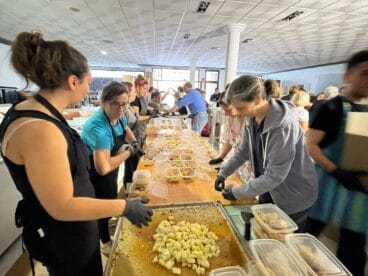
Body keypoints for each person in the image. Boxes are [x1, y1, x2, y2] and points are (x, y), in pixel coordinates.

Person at [0, 31, 153, 275]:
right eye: (88, 82)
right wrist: (124, 207)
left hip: (75, 230)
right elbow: (62, 206)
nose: (89, 88)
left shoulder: (40, 112)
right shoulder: (39, 129)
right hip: (65, 239)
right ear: (72, 82)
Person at [214, 75, 317, 232]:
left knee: (284, 241)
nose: (238, 113)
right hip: (269, 189)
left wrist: (237, 192)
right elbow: (243, 151)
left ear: (258, 99)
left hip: (293, 194)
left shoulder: (283, 127)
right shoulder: (252, 118)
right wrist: (223, 172)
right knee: (263, 232)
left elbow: (275, 175)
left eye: (241, 108)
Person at [306, 50, 368, 276]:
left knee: (352, 252)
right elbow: (311, 145)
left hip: (360, 196)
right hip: (328, 191)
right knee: (308, 240)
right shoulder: (332, 108)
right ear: (347, 77)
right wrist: (337, 171)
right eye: (365, 73)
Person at [81, 81, 144, 254]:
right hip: (94, 171)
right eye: (116, 103)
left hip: (111, 163)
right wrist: (128, 153)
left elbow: (125, 127)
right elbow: (102, 167)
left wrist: (134, 142)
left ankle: (109, 218)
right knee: (102, 200)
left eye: (125, 103)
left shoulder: (120, 114)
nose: (121, 108)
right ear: (103, 102)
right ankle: (105, 241)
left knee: (110, 193)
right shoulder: (98, 128)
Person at [209, 92, 245, 165]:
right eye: (224, 111)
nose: (226, 114)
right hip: (239, 159)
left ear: (237, 105)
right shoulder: (231, 118)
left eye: (228, 110)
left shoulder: (248, 120)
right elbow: (230, 140)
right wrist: (221, 158)